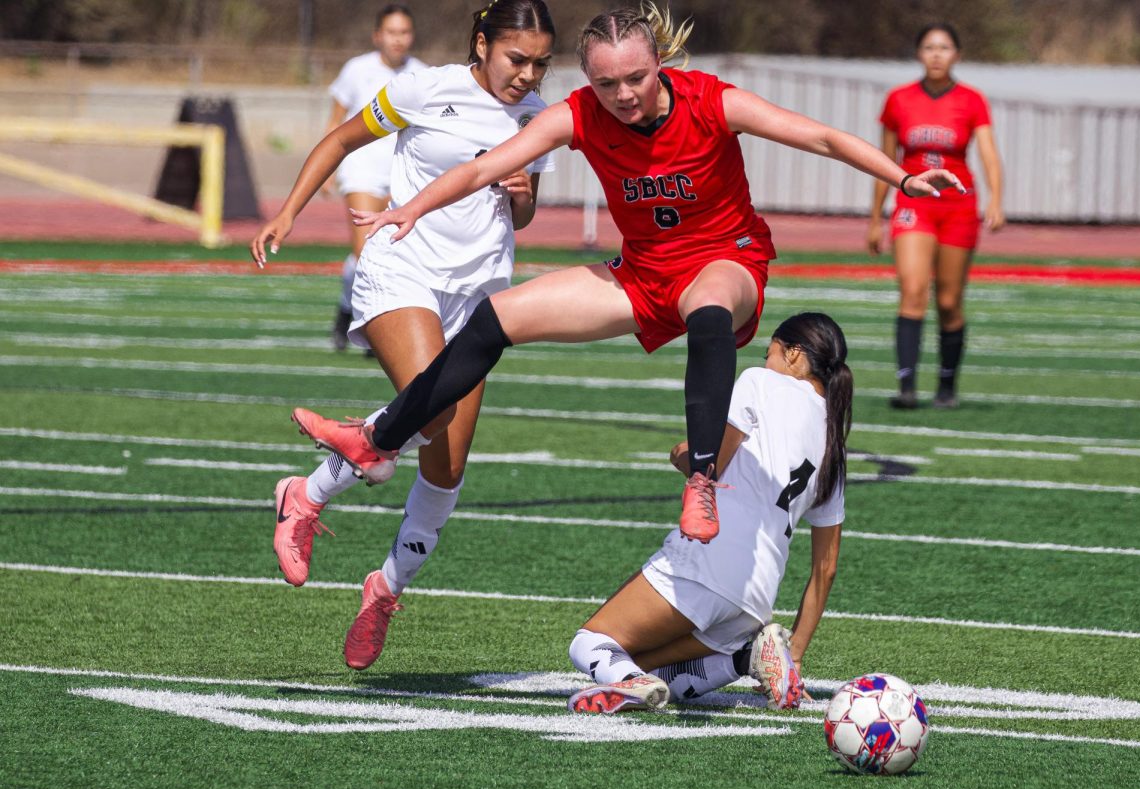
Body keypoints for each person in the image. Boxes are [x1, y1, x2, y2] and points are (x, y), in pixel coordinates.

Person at [295, 2, 961, 549]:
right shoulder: (580, 115)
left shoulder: (711, 103)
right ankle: (377, 438)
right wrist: (410, 207)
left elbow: (819, 137)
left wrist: (902, 176)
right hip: (641, 274)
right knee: (492, 321)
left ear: (659, 66)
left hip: (725, 260)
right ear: (588, 80)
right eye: (607, 83)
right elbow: (480, 169)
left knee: (706, 310)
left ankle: (701, 480)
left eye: (636, 79)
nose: (623, 95)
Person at [250, 0, 557, 671]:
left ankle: (383, 587)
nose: (528, 74)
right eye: (516, 58)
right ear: (482, 44)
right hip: (402, 264)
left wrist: (520, 194)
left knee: (445, 468)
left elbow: (525, 213)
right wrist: (288, 214)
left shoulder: (540, 115)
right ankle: (311, 494)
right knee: (434, 402)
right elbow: (339, 142)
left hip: (477, 297)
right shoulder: (427, 88)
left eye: (540, 63)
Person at [565, 312, 851, 713]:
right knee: (641, 665)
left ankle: (632, 683)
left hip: (708, 563)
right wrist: (797, 655)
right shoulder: (833, 442)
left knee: (590, 645)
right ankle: (746, 658)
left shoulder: (761, 381)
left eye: (769, 351)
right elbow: (826, 568)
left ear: (793, 354)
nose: (765, 360)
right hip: (756, 597)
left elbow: (709, 464)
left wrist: (681, 454)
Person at [867, 22, 1005, 410]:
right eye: (929, 47)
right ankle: (907, 386)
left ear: (957, 54)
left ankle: (946, 386)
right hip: (915, 205)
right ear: (918, 54)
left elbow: (989, 154)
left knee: (948, 301)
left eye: (945, 48)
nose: (937, 54)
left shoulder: (972, 100)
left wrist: (997, 199)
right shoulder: (899, 99)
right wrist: (876, 217)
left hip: (958, 207)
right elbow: (885, 161)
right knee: (913, 291)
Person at [325, 5, 427, 352]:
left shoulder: (423, 75)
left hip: (402, 175)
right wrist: (328, 168)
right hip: (361, 171)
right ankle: (374, 330)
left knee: (388, 253)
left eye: (404, 32)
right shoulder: (357, 70)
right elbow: (336, 122)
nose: (398, 39)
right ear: (377, 35)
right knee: (365, 249)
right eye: (391, 32)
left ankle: (345, 311)